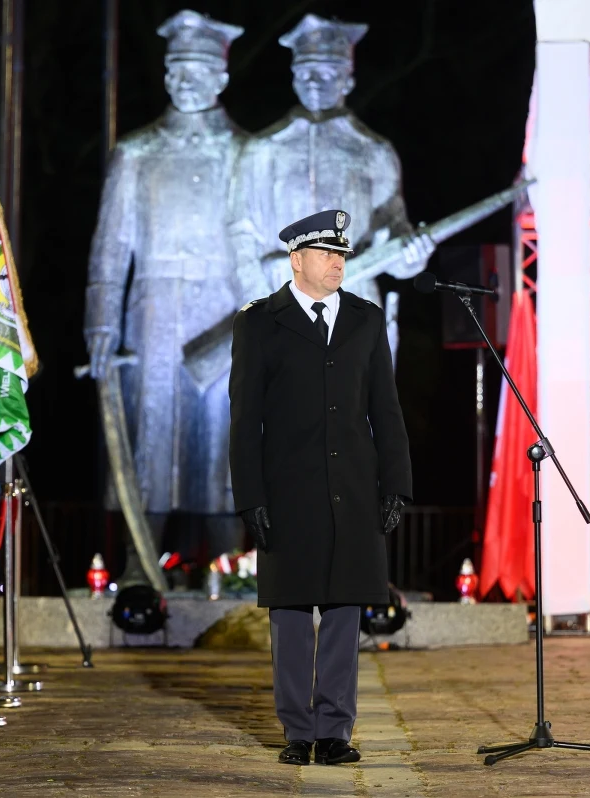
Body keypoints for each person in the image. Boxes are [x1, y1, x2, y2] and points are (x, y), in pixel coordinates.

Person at [228, 209, 412, 767]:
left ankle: (335, 729)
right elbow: (245, 420)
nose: (338, 263)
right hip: (288, 492)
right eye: (327, 254)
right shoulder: (260, 322)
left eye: (342, 255)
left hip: (354, 487)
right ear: (297, 258)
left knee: (342, 611)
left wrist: (396, 485)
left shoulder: (364, 318)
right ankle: (296, 731)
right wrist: (250, 497)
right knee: (289, 613)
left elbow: (386, 408)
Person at [84, 9, 247, 583]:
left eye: (198, 69)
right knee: (150, 439)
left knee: (224, 441)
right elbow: (111, 248)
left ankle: (229, 567)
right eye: (176, 68)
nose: (185, 80)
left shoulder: (248, 154)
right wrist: (100, 324)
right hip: (151, 314)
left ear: (221, 78)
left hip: (227, 308)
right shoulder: (137, 152)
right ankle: (138, 568)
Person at [229, 14, 433, 309]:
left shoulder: (374, 152)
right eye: (304, 73)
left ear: (347, 80)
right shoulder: (263, 150)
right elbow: (241, 234)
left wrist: (411, 256)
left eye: (325, 74)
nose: (313, 83)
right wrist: (258, 298)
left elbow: (392, 232)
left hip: (354, 302)